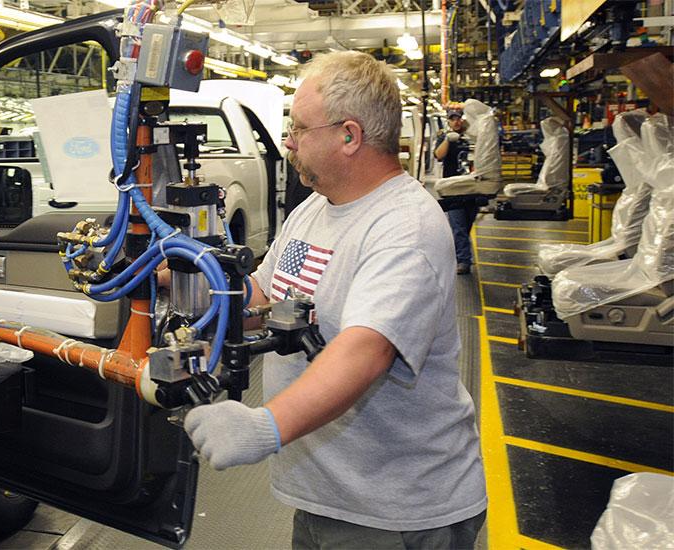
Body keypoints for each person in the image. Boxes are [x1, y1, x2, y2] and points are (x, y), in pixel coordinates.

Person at [181, 51, 486, 550]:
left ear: (349, 135)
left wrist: (266, 426)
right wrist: (185, 282)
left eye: (300, 128)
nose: (289, 141)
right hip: (327, 496)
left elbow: (366, 350)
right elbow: (262, 294)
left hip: (396, 510)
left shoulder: (404, 225)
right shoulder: (315, 210)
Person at [435, 112, 477, 274]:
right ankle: (464, 260)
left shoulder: (472, 136)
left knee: (465, 226)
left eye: (459, 118)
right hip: (453, 189)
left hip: (472, 188)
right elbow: (438, 155)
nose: (457, 121)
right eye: (453, 119)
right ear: (449, 122)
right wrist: (447, 139)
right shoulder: (445, 137)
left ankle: (460, 253)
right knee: (458, 226)